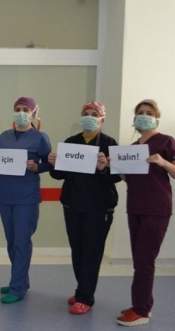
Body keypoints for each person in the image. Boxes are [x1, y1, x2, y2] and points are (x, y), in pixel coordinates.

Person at [115, 99, 175, 326]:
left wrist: (163, 163)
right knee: (139, 259)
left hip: (157, 208)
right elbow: (130, 179)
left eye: (149, 113)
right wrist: (116, 167)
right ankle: (143, 303)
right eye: (140, 112)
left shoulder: (166, 141)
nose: (144, 116)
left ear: (156, 118)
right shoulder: (133, 148)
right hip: (135, 206)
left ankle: (141, 311)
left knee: (145, 260)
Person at [48, 101, 121, 314]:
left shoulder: (109, 143)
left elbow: (117, 176)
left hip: (99, 208)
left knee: (92, 252)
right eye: (86, 113)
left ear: (102, 119)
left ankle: (85, 297)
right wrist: (53, 163)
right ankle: (82, 289)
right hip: (73, 205)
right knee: (78, 250)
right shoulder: (71, 143)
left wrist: (103, 168)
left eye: (94, 114)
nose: (89, 117)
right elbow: (59, 175)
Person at [0, 97, 51, 304]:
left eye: (25, 109)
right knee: (11, 241)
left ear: (33, 113)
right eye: (17, 109)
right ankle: (21, 280)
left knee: (22, 242)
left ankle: (17, 288)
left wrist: (36, 167)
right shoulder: (4, 136)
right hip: (5, 195)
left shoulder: (40, 138)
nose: (21, 113)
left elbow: (49, 163)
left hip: (26, 197)